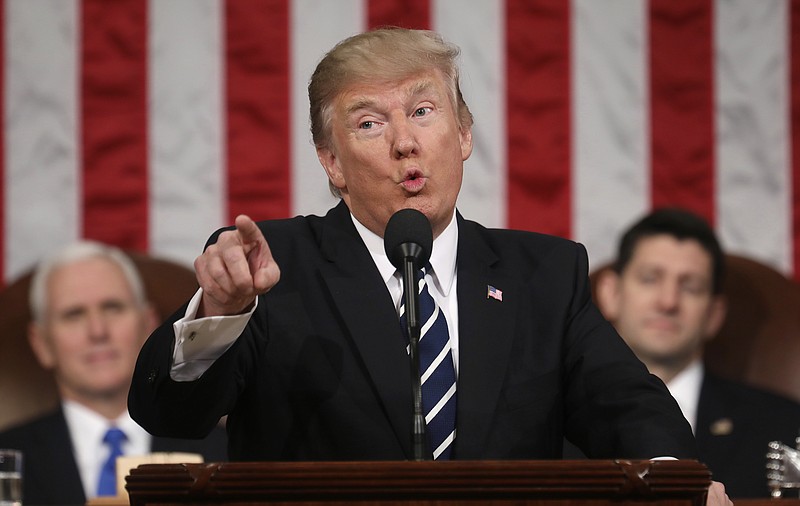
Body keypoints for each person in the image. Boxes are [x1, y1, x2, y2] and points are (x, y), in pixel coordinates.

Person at [128, 27, 729, 503]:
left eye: (423, 111)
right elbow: (171, 415)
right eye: (369, 123)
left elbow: (626, 406)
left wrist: (679, 484)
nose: (405, 143)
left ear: (463, 133)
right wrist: (220, 312)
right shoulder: (274, 268)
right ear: (331, 162)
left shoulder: (543, 274)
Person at [0, 241, 227, 506]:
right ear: (41, 343)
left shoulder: (227, 453)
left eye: (113, 308)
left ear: (149, 326)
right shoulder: (7, 459)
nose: (98, 331)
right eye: (73, 315)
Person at [593, 207, 800, 497]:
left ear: (714, 314)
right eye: (650, 279)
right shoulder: (554, 422)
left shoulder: (784, 429)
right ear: (611, 293)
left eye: (690, 287)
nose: (668, 302)